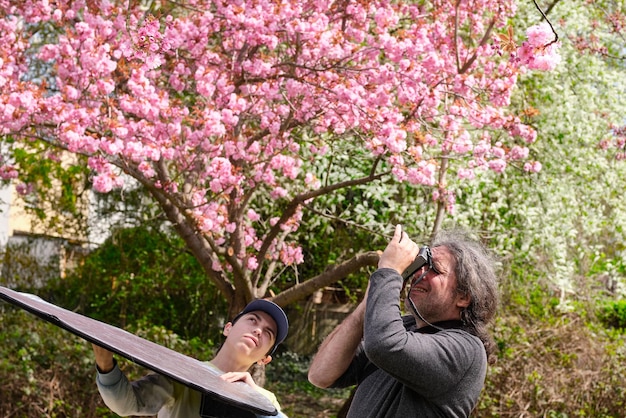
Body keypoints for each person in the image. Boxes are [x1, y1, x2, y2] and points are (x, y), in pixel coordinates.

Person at [308, 225, 499, 417]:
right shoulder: (403, 328)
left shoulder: (466, 350)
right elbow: (321, 374)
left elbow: (385, 345)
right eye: (420, 264)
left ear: (463, 297)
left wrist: (389, 271)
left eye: (435, 269)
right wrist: (367, 304)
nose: (418, 273)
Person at [92, 299, 289, 418]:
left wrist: (256, 399)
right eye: (252, 320)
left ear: (265, 359)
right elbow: (127, 405)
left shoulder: (267, 401)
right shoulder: (184, 373)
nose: (257, 330)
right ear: (228, 328)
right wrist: (105, 365)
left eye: (268, 333)